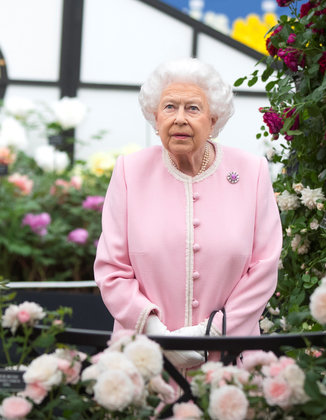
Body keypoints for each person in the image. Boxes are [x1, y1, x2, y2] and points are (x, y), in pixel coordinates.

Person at [94, 57, 282, 369]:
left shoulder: (252, 172)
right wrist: (158, 336)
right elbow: (112, 269)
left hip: (230, 359)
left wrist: (209, 334)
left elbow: (263, 269)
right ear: (155, 118)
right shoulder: (129, 171)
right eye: (169, 107)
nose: (179, 118)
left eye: (192, 108)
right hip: (146, 358)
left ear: (214, 119)